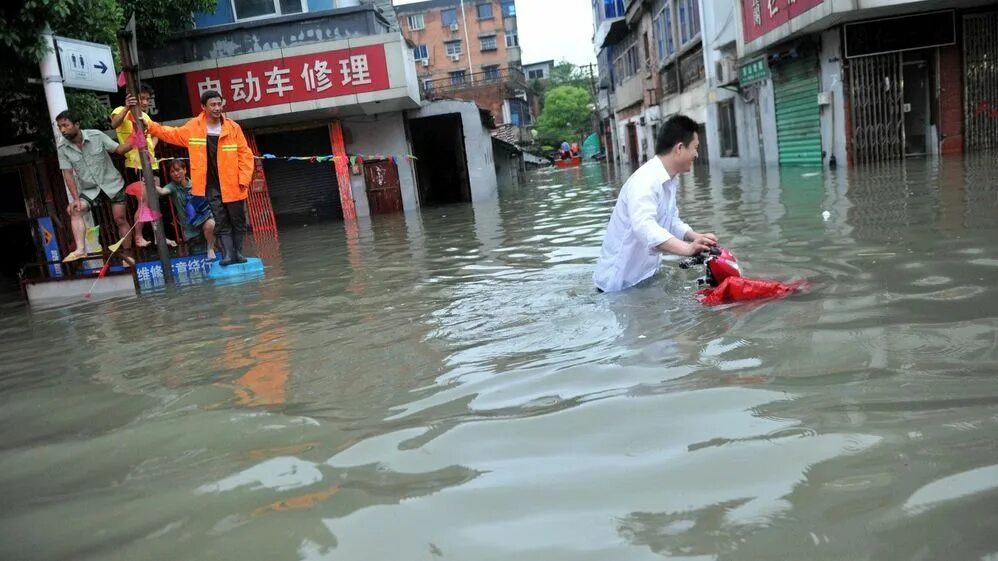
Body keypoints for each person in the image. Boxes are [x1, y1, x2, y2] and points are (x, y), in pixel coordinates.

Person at [593, 114, 718, 292]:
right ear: (680, 148)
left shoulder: (668, 181)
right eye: (695, 148)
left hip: (644, 277)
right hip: (616, 287)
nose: (696, 154)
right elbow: (644, 227)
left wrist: (694, 237)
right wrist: (687, 248)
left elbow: (671, 221)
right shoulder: (645, 181)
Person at [137, 90, 254, 266]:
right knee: (220, 220)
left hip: (234, 183)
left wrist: (244, 179)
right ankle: (228, 255)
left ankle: (238, 253)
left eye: (219, 104)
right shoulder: (194, 127)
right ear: (203, 107)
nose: (217, 108)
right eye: (213, 105)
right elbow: (172, 134)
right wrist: (151, 126)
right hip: (211, 184)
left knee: (237, 220)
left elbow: (246, 155)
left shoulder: (233, 128)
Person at [56, 110, 141, 263]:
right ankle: (80, 249)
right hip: (90, 189)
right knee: (75, 210)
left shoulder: (96, 135)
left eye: (65, 125)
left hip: (112, 183)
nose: (62, 130)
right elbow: (67, 174)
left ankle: (128, 255)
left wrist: (136, 140)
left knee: (120, 218)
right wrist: (75, 199)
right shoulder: (62, 148)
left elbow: (119, 150)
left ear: (76, 124)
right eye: (59, 126)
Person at [110, 83, 159, 247]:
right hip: (135, 164)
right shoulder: (120, 110)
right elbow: (114, 124)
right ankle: (138, 236)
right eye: (142, 98)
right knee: (143, 201)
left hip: (152, 164)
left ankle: (158, 236)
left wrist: (150, 150)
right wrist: (126, 107)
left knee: (154, 201)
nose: (145, 102)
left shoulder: (146, 117)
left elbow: (154, 135)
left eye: (147, 99)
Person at [155, 159, 217, 260]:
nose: (176, 174)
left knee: (211, 224)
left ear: (185, 170)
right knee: (196, 258)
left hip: (204, 222)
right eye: (172, 172)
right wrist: (152, 184)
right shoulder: (172, 187)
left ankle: (210, 248)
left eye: (178, 170)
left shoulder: (196, 184)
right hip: (190, 231)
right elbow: (162, 191)